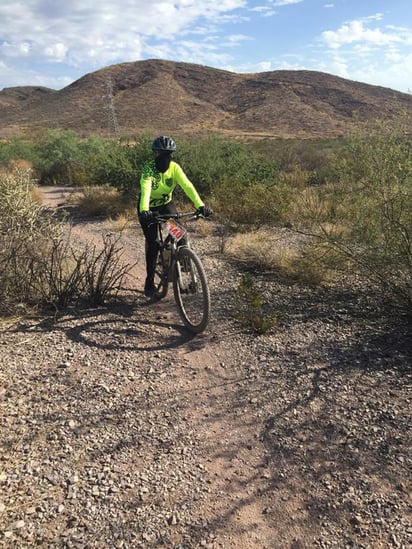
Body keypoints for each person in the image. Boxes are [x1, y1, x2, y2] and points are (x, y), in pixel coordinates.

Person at [138, 135, 212, 297]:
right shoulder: (149, 169)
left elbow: (187, 186)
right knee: (154, 244)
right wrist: (144, 210)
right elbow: (146, 190)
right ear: (156, 155)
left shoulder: (175, 168)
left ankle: (183, 264)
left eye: (170, 154)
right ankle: (149, 281)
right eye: (164, 155)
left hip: (165, 206)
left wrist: (200, 205)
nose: (168, 158)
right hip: (149, 209)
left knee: (179, 235)